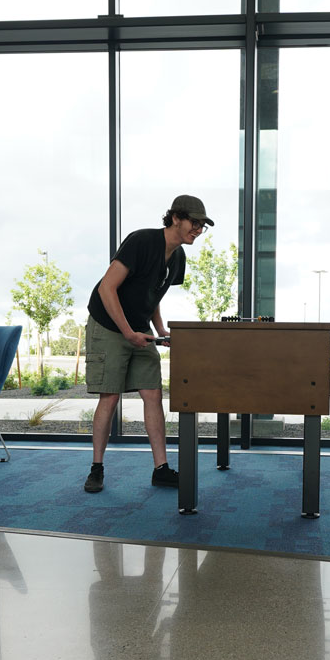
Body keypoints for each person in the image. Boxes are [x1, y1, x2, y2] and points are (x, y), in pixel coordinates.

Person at [83, 194, 213, 493]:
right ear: (176, 218)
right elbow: (107, 287)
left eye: (202, 226)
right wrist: (127, 332)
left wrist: (161, 330)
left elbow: (153, 295)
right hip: (108, 325)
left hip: (139, 329)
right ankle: (96, 469)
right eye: (194, 223)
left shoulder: (177, 256)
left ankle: (161, 469)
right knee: (110, 397)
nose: (198, 229)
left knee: (153, 395)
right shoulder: (141, 241)